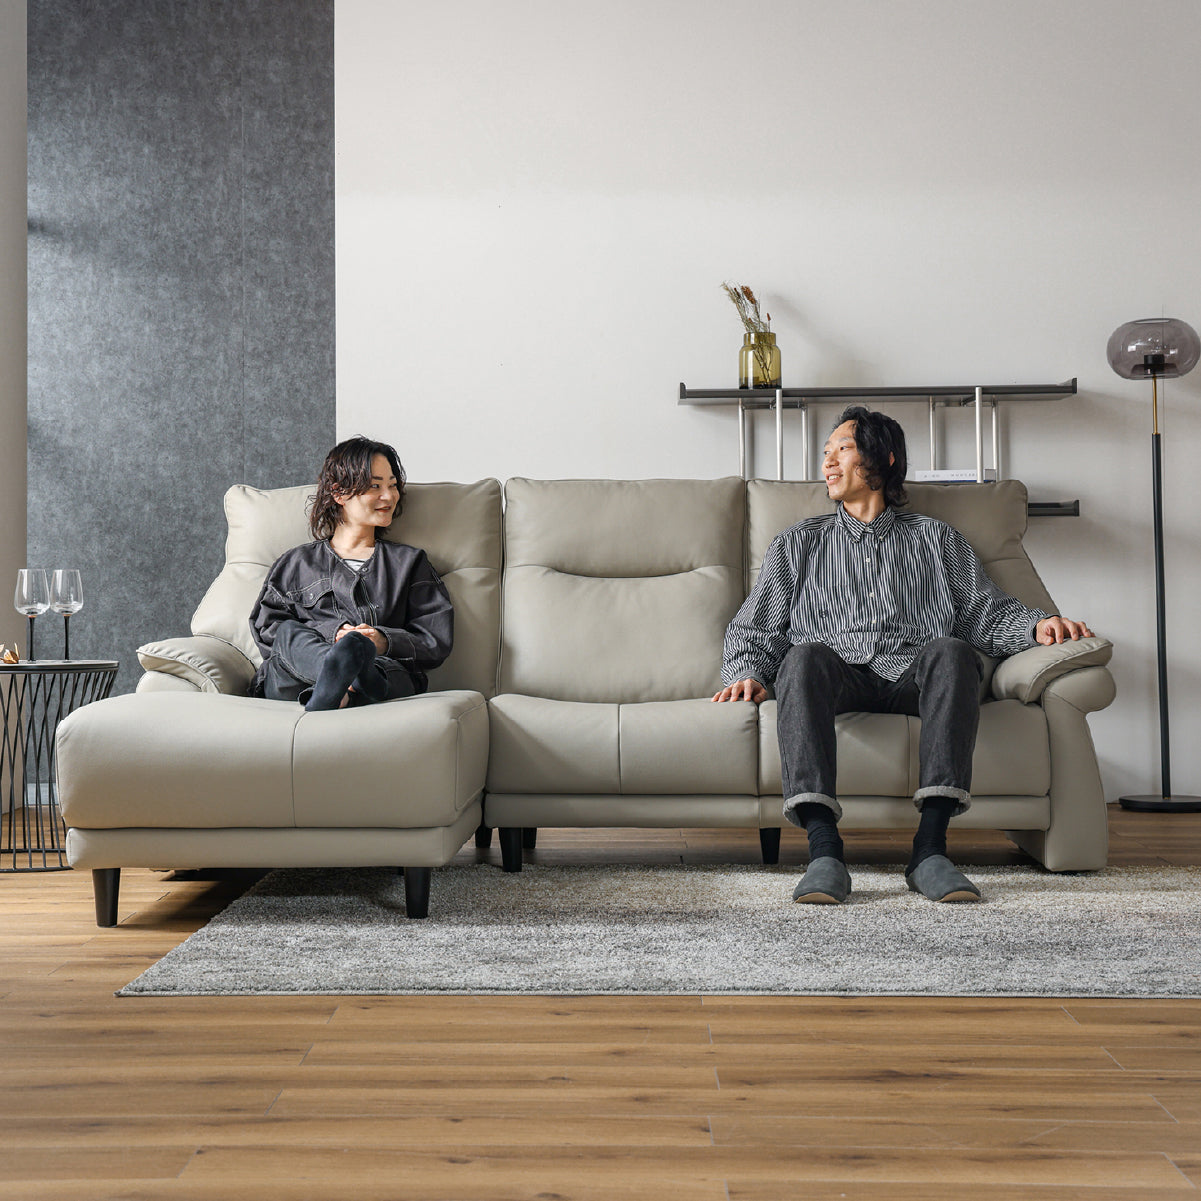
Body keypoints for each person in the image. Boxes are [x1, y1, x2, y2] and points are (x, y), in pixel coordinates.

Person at [712, 406, 1093, 905]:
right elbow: (756, 624)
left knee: (954, 653)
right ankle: (824, 854)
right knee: (801, 659)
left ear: (884, 459)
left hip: (912, 676)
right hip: (835, 675)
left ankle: (930, 852)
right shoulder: (797, 543)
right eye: (825, 453)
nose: (828, 463)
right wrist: (747, 672)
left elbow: (984, 612)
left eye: (842, 449)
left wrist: (1036, 625)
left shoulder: (936, 539)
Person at [248, 437, 453, 712]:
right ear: (339, 493)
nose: (389, 496)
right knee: (288, 633)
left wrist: (382, 641)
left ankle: (346, 685)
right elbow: (268, 630)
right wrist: (332, 636)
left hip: (381, 669)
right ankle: (344, 673)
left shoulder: (409, 563)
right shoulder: (296, 563)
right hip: (296, 678)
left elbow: (435, 638)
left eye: (393, 485)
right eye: (375, 486)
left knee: (388, 672)